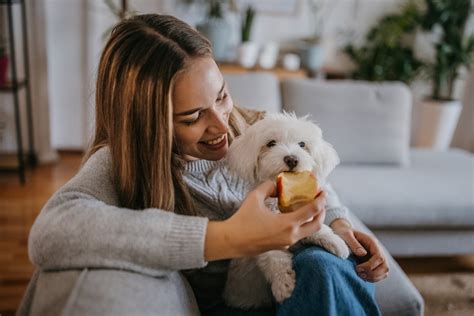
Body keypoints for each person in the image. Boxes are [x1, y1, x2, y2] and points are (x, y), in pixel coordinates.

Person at [24, 14, 388, 315]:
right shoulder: (121, 163)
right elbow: (50, 233)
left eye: (222, 95)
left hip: (301, 289)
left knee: (322, 264)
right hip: (239, 303)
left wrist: (341, 223)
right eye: (193, 116)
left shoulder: (254, 125)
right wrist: (229, 238)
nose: (220, 124)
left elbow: (311, 173)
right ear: (148, 123)